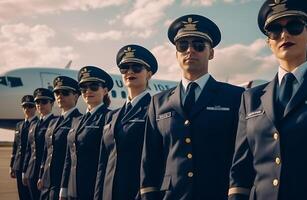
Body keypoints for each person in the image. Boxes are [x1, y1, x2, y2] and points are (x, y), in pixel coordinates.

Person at [228, 0, 307, 200]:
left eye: (294, 26)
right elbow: (240, 169)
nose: (284, 35)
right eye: (275, 30)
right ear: (269, 42)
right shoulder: (250, 98)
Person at [140, 14, 244, 200]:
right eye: (183, 46)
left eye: (198, 45)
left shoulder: (235, 97)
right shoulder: (158, 102)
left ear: (211, 53)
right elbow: (150, 159)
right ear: (176, 53)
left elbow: (241, 155)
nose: (190, 50)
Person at [94, 44, 158, 200]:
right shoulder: (112, 116)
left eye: (136, 67)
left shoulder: (155, 109)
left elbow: (157, 160)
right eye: (124, 68)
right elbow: (103, 163)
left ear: (148, 74)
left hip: (138, 193)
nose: (129, 71)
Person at [60, 66, 113, 200]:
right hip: (73, 189)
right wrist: (64, 188)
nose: (88, 91)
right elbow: (69, 157)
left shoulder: (110, 118)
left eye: (94, 86)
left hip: (95, 189)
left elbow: (108, 159)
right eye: (83, 88)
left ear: (105, 91)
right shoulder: (76, 121)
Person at [37, 76, 82, 200]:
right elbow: (47, 152)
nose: (59, 96)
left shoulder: (79, 121)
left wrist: (65, 186)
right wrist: (41, 175)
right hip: (47, 182)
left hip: (63, 183)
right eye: (57, 92)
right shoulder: (53, 122)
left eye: (65, 93)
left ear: (76, 96)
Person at [23, 88, 57, 200]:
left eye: (44, 102)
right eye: (37, 102)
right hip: (32, 172)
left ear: (52, 103)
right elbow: (29, 150)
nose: (40, 105)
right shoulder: (33, 125)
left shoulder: (56, 123)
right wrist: (25, 171)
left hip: (47, 173)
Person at [10, 95, 38, 200]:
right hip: (18, 165)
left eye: (30, 106)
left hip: (31, 166)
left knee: (32, 195)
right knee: (22, 195)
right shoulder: (19, 125)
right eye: (25, 107)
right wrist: (12, 165)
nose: (27, 109)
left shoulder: (38, 124)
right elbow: (15, 146)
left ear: (35, 108)